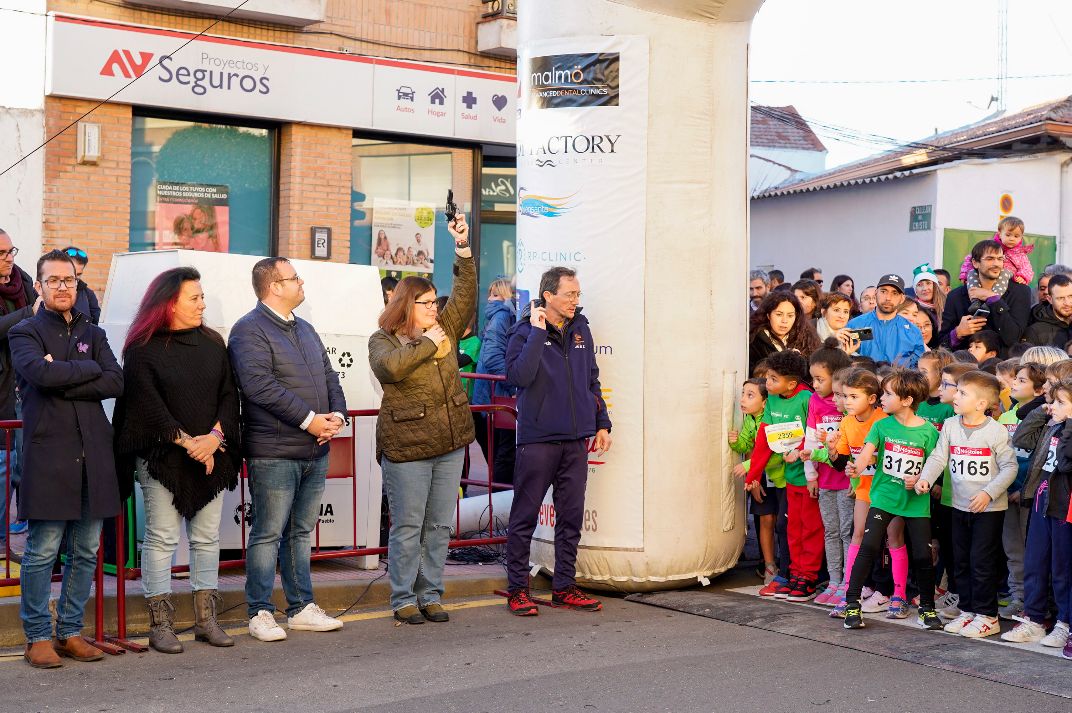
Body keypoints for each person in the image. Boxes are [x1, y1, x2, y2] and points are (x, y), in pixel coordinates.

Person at [113, 267, 241, 653]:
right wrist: (191, 444)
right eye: (195, 297)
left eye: (202, 296)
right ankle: (161, 624)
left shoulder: (214, 343)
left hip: (210, 454)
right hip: (163, 459)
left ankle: (206, 620)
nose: (203, 303)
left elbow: (228, 396)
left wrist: (214, 438)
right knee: (162, 537)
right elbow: (147, 408)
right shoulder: (141, 348)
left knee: (207, 538)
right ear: (169, 302)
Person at [12, 250, 123, 668]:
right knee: (42, 550)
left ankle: (70, 631)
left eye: (70, 281)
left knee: (86, 551)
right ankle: (37, 636)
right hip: (49, 455)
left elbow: (116, 380)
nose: (63, 287)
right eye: (54, 280)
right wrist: (86, 371)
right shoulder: (24, 332)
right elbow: (38, 375)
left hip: (93, 455)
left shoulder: (94, 334)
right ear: (39, 286)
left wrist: (65, 372)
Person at [229, 257, 347, 642]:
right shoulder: (249, 330)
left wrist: (338, 417)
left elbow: (330, 375)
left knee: (299, 532)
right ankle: (259, 611)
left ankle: (300, 607)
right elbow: (259, 386)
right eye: (293, 277)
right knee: (267, 533)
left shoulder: (306, 328)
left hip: (314, 448)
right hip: (274, 450)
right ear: (273, 286)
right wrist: (310, 419)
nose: (301, 282)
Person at [369, 215, 475, 624]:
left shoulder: (446, 326)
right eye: (427, 303)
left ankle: (430, 593)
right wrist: (427, 343)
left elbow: (464, 293)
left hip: (450, 443)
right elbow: (390, 369)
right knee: (408, 526)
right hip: (407, 447)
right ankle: (402, 598)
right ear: (406, 306)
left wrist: (462, 247)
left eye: (435, 302)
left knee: (438, 527)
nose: (436, 308)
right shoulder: (383, 339)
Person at [504, 266, 612, 616]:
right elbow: (518, 376)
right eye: (569, 295)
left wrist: (602, 423)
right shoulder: (523, 331)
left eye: (578, 295)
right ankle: (518, 590)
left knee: (571, 518)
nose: (575, 301)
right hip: (537, 441)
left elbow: (591, 380)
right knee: (524, 517)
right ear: (548, 296)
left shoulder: (581, 329)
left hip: (575, 441)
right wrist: (537, 333)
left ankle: (564, 587)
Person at [916, 371, 1017, 638]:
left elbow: (1009, 467)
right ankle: (969, 610)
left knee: (981, 561)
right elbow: (939, 457)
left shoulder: (995, 432)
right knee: (960, 561)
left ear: (982, 404)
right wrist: (926, 478)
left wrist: (988, 493)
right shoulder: (950, 425)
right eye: (956, 391)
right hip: (958, 506)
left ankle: (988, 615)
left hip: (988, 509)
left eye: (962, 393)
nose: (955, 396)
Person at [840, 370, 943, 631]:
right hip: (884, 498)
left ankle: (927, 609)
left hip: (915, 502)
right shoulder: (881, 425)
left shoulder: (929, 432)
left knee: (922, 554)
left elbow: (935, 465)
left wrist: (922, 478)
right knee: (869, 545)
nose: (882, 399)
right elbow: (866, 454)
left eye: (888, 394)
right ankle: (852, 603)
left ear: (907, 400)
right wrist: (856, 468)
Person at [1003, 375, 1072, 653]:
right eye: (1052, 400)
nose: (1052, 406)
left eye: (1059, 402)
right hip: (1042, 501)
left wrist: (1069, 424)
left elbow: (1067, 463)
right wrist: (1041, 412)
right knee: (1035, 561)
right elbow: (1021, 438)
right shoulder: (1050, 425)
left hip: (1064, 506)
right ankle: (1033, 618)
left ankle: (1064, 622)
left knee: (1062, 568)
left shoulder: (1065, 430)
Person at [746, 351, 821, 601]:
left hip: (810, 477)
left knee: (809, 528)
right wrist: (752, 475)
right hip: (790, 478)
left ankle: (808, 577)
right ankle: (793, 574)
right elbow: (764, 439)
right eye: (767, 377)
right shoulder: (774, 400)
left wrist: (801, 452)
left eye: (773, 379)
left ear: (791, 383)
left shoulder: (806, 399)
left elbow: (813, 434)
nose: (767, 383)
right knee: (789, 527)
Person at [802, 341, 853, 606]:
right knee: (831, 531)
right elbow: (810, 441)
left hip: (847, 482)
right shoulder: (814, 401)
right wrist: (811, 475)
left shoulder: (849, 410)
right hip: (825, 481)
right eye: (813, 379)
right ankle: (834, 581)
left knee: (847, 532)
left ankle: (848, 583)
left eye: (820, 379)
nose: (815, 384)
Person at [997, 361, 1047, 620]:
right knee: (1012, 548)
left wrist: (1026, 489)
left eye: (1022, 380)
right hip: (1006, 491)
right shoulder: (1006, 415)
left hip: (1029, 495)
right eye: (1014, 379)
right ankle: (1018, 597)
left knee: (1032, 550)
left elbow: (1040, 460)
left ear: (1040, 390)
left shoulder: (1044, 419)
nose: (1014, 383)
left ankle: (1035, 601)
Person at [729, 378, 785, 585]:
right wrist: (736, 443)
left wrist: (747, 468)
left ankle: (787, 566)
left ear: (764, 402)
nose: (743, 399)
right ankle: (770, 565)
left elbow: (773, 454)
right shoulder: (750, 420)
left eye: (750, 395)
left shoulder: (770, 421)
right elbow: (745, 444)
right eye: (743, 394)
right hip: (761, 478)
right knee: (765, 520)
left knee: (782, 523)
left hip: (780, 479)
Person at [0, 228, 36, 542]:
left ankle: (24, 519)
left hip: (24, 385)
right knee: (4, 462)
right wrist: (29, 313)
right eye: (2, 254)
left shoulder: (22, 281)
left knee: (24, 459)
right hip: (2, 389)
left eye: (12, 251)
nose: (9, 259)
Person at [940, 239, 1032, 356]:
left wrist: (994, 299)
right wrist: (957, 333)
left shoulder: (1020, 292)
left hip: (1002, 368)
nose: (996, 264)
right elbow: (941, 343)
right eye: (990, 259)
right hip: (967, 368)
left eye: (1000, 259)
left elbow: (1013, 338)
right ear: (975, 263)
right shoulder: (956, 296)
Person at [472, 278, 518, 486]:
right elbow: (492, 357)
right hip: (499, 396)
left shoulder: (498, 317)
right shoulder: (502, 316)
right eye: (491, 294)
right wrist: (513, 386)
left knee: (500, 455)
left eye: (495, 294)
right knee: (504, 455)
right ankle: (502, 509)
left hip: (492, 396)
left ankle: (500, 505)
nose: (490, 299)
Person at [846, 274, 925, 367]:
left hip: (898, 381)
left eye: (894, 293)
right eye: (883, 291)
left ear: (902, 298)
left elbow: (917, 368)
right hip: (864, 380)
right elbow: (845, 360)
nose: (888, 298)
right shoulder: (856, 325)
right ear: (876, 293)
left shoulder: (912, 332)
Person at [748, 292, 820, 375]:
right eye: (779, 314)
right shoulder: (754, 339)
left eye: (790, 316)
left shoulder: (806, 338)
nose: (784, 321)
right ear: (768, 315)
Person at [959, 216, 1034, 295]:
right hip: (987, 278)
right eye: (1008, 235)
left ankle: (993, 297)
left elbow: (1027, 268)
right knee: (971, 272)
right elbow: (971, 258)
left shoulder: (1020, 254)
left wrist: (1022, 276)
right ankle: (975, 298)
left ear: (1021, 237)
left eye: (1016, 236)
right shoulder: (989, 246)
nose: (1012, 239)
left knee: (1004, 273)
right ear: (1000, 233)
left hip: (1008, 275)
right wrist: (964, 274)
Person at [1024, 274, 1072, 347]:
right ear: (1050, 299)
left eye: (1070, 296)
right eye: (1060, 298)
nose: (1067, 303)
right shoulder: (1035, 331)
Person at [62, 247, 101, 325]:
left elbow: (98, 324)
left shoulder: (88, 294)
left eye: (79, 274)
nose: (75, 278)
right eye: (72, 273)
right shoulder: (47, 291)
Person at [911, 263, 945, 335]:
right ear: (915, 290)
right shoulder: (911, 310)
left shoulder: (947, 306)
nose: (925, 289)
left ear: (935, 286)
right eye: (919, 285)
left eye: (928, 283)